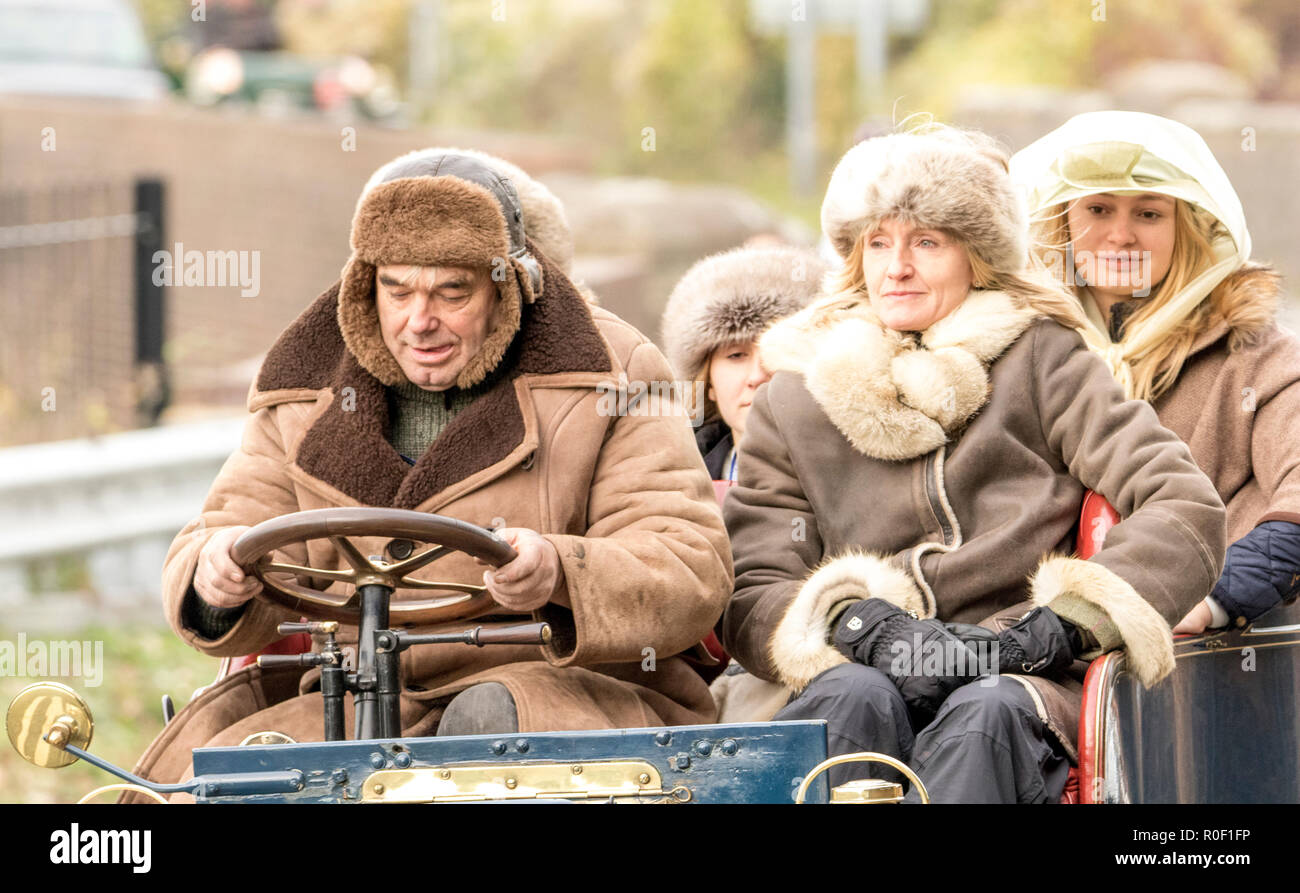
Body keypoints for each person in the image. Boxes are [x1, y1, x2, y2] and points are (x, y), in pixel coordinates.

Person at [130, 149, 733, 793]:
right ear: (365, 285)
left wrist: (560, 570)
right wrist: (214, 577)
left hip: (566, 694)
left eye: (452, 291)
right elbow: (224, 532)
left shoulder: (610, 371)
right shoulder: (301, 389)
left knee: (488, 736)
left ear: (509, 286)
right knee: (237, 775)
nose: (420, 322)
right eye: (397, 290)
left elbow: (689, 566)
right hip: (352, 697)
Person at [719, 123, 1226, 802]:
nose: (896, 267)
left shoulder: (1043, 360)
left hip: (1016, 678)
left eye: (926, 242)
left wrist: (1057, 626)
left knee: (982, 715)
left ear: (978, 256)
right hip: (865, 662)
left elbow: (1184, 504)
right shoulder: (795, 394)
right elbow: (755, 580)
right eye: (878, 242)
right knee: (850, 700)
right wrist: (858, 624)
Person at [1011, 111, 1300, 633]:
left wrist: (1214, 598)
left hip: (1200, 660)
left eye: (1149, 214)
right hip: (1029, 648)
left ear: (1186, 228)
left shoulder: (1258, 357)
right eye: (1097, 208)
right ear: (1063, 223)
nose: (1121, 236)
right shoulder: (1018, 351)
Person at [660, 245, 828, 482]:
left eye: (776, 350)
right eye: (736, 355)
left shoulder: (854, 474)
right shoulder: (675, 482)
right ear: (709, 385)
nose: (757, 376)